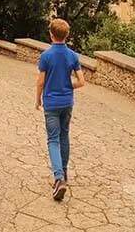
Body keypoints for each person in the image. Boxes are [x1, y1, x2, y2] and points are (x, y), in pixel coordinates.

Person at [35, 18, 85, 201]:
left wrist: (37, 99)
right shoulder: (73, 56)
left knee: (53, 140)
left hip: (51, 103)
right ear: (66, 35)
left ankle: (58, 179)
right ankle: (64, 173)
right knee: (64, 137)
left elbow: (40, 81)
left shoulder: (46, 56)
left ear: (51, 34)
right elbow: (81, 81)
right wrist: (68, 86)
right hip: (67, 102)